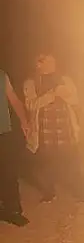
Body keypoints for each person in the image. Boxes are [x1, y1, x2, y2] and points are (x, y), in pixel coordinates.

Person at [23, 53, 84, 202]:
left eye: (52, 60)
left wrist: (63, 94)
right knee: (46, 162)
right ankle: (49, 192)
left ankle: (79, 190)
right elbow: (31, 105)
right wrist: (52, 94)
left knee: (71, 159)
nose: (50, 64)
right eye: (45, 61)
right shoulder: (30, 82)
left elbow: (75, 100)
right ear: (38, 64)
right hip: (45, 130)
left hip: (64, 128)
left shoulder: (65, 80)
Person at [0, 69, 31, 226]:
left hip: (3, 132)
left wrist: (24, 122)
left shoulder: (2, 75)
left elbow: (14, 100)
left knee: (8, 172)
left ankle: (13, 211)